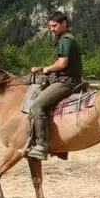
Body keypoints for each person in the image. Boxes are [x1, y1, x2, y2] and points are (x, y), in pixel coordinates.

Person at [27, 11, 84, 160]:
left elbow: (62, 63)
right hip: (66, 79)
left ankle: (41, 146)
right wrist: (43, 68)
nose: (51, 29)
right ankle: (59, 147)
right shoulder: (64, 39)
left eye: (54, 25)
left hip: (67, 82)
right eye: (50, 26)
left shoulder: (66, 39)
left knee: (37, 106)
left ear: (64, 23)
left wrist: (47, 69)